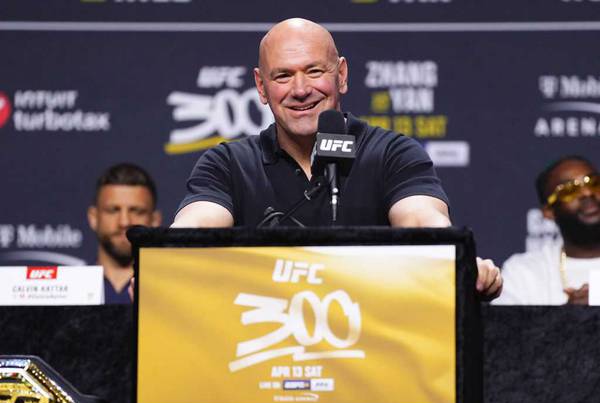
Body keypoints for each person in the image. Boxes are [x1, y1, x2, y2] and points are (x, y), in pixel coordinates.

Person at [172, 18, 502, 299]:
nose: (300, 89)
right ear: (261, 86)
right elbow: (195, 226)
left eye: (314, 71)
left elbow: (421, 221)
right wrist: (160, 260)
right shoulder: (228, 164)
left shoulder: (392, 153)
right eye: (283, 76)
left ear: (341, 75)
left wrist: (459, 261)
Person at [495, 156, 600, 305]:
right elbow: (504, 321)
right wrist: (569, 315)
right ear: (549, 212)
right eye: (569, 190)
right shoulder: (523, 272)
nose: (587, 193)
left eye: (594, 183)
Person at [88, 163, 161, 304]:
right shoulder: (68, 288)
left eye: (137, 211)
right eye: (113, 210)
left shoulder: (170, 289)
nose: (124, 222)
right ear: (93, 218)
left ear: (155, 220)